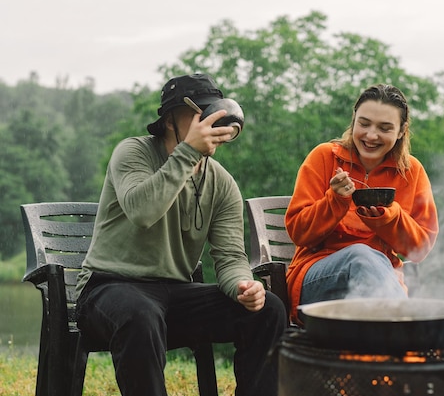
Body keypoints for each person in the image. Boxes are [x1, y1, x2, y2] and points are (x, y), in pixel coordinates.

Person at [75, 73, 287, 396]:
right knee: (140, 315)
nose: (211, 123)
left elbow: (230, 258)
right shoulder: (133, 153)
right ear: (171, 118)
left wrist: (245, 285)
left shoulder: (223, 184)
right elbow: (142, 212)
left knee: (268, 310)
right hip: (108, 289)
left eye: (215, 113)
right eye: (200, 114)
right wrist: (188, 153)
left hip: (173, 296)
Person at [285, 83, 439, 324]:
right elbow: (299, 233)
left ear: (401, 131)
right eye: (364, 124)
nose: (371, 135)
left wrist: (388, 219)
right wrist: (334, 201)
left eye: (385, 128)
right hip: (316, 282)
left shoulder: (412, 171)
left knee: (368, 260)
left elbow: (419, 250)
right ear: (354, 119)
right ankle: (409, 333)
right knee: (361, 256)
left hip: (381, 286)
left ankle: (393, 341)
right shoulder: (324, 157)